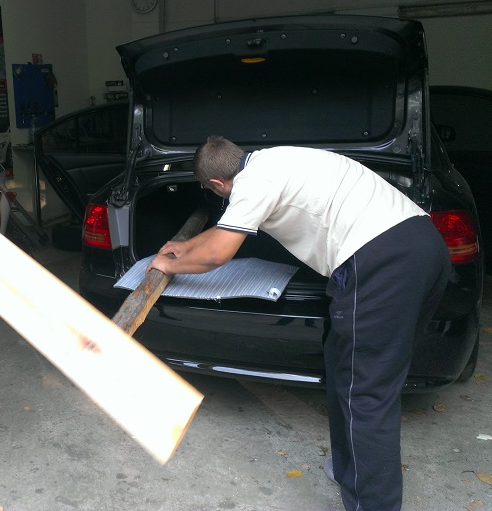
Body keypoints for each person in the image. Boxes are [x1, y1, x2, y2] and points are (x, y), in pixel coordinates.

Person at [148, 136, 450, 511]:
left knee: (365, 391)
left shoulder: (253, 183)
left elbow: (217, 254)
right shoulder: (274, 160)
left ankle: (374, 503)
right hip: (424, 246)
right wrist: (185, 246)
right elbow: (230, 227)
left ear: (216, 184)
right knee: (344, 363)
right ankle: (349, 469)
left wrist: (169, 265)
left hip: (380, 263)